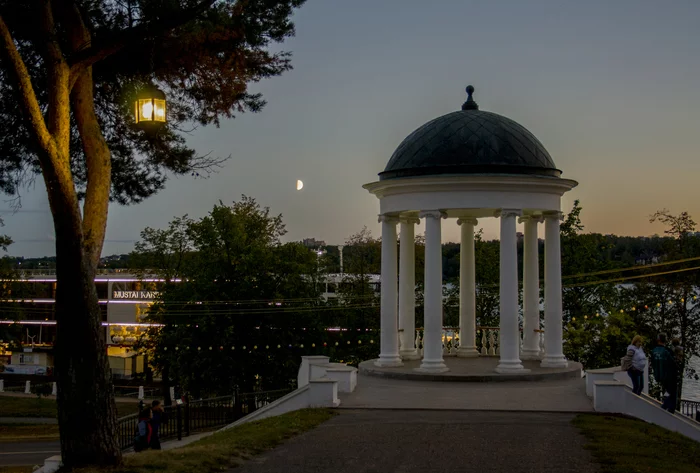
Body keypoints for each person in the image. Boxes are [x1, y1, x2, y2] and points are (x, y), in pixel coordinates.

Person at [649, 333, 678, 414]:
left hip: (660, 376)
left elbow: (653, 363)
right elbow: (674, 363)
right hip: (670, 376)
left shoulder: (654, 351)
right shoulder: (667, 351)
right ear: (665, 340)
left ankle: (666, 406)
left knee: (668, 391)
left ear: (658, 340)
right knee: (672, 393)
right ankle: (665, 408)